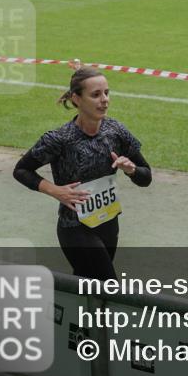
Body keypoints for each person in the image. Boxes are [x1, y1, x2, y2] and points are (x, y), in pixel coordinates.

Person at [13, 67, 152, 281]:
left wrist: (132, 170)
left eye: (107, 93)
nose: (104, 100)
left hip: (108, 222)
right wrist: (55, 191)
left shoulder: (115, 131)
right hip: (75, 227)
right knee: (108, 285)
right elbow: (21, 170)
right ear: (76, 99)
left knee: (89, 285)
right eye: (96, 95)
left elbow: (146, 177)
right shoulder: (59, 139)